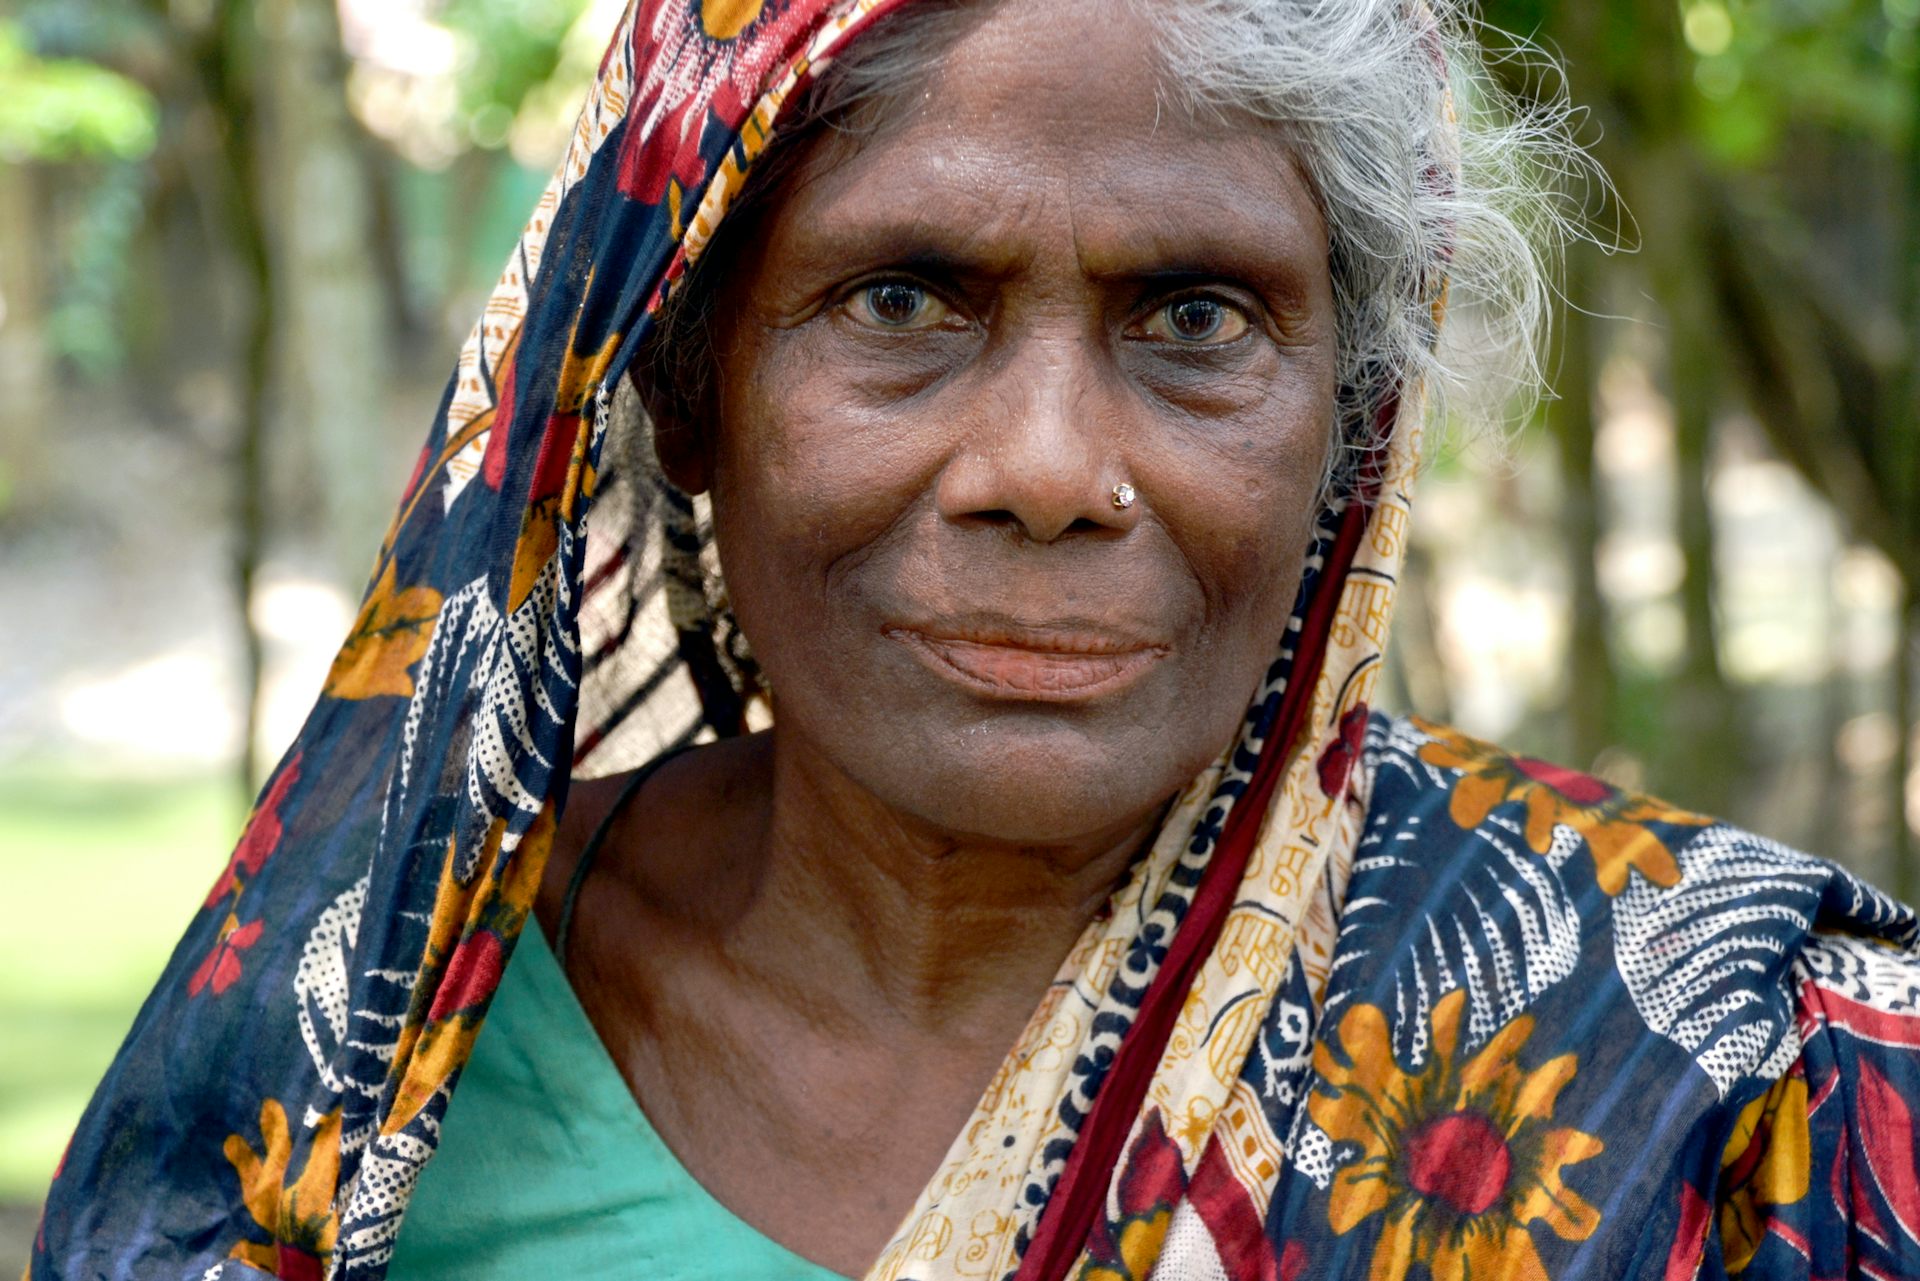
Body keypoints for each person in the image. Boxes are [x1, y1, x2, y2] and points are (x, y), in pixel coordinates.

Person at [29, 0, 1920, 1278]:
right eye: (903, 296)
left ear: (1355, 429)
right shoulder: (355, 1063)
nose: (1047, 469)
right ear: (683, 380)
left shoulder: (1737, 1091)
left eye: (1194, 319)